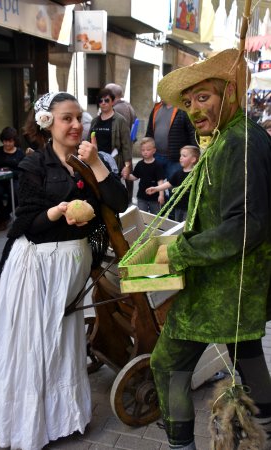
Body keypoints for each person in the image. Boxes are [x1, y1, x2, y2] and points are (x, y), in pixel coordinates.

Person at [0, 92, 128, 450]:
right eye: (67, 118)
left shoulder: (91, 160)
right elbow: (27, 224)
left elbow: (120, 201)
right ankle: (28, 426)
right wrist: (54, 212)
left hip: (71, 267)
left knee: (62, 342)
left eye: (79, 117)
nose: (76, 124)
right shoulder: (34, 166)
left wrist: (96, 163)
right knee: (34, 343)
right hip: (37, 267)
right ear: (48, 123)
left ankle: (62, 419)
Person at [149, 48, 271, 450]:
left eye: (204, 97)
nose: (194, 109)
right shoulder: (225, 138)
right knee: (246, 348)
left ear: (229, 94)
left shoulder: (241, 142)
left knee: (167, 365)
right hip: (232, 281)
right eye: (188, 102)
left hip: (225, 284)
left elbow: (245, 225)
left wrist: (180, 252)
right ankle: (266, 433)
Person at [88, 87, 132, 183]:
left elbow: (126, 145)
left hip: (114, 163)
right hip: (97, 162)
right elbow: (89, 141)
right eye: (100, 101)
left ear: (112, 102)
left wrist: (127, 166)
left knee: (112, 190)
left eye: (107, 100)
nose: (103, 103)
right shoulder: (95, 121)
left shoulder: (120, 120)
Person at [146, 145, 200, 221]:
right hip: (178, 205)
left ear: (193, 159)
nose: (180, 158)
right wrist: (156, 188)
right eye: (180, 155)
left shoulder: (196, 174)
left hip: (190, 207)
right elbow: (169, 183)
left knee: (186, 226)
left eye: (184, 156)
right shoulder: (178, 173)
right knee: (177, 224)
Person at [145, 100, 197, 180]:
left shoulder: (183, 109)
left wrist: (194, 153)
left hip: (176, 159)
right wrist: (146, 150)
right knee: (154, 187)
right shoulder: (156, 108)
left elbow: (193, 132)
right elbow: (150, 131)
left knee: (174, 188)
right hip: (156, 156)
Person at [0, 126, 24, 231]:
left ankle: (3, 216)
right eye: (5, 141)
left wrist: (11, 172)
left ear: (15, 141)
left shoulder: (20, 154)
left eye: (10, 141)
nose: (7, 144)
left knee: (17, 192)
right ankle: (5, 216)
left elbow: (23, 171)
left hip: (14, 180)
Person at [105, 83, 137, 203]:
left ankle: (119, 201)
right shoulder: (129, 107)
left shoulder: (115, 110)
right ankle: (128, 199)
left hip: (116, 152)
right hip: (127, 149)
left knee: (115, 177)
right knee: (128, 175)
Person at [127, 137, 165, 214]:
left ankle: (155, 227)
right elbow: (134, 177)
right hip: (141, 197)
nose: (145, 152)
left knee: (155, 217)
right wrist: (127, 175)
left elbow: (160, 182)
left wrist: (161, 195)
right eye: (143, 150)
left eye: (148, 150)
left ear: (154, 150)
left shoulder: (158, 165)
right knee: (142, 216)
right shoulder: (139, 164)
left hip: (154, 198)